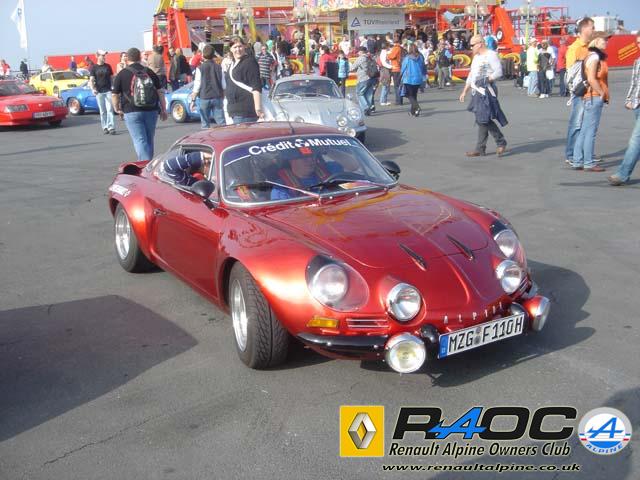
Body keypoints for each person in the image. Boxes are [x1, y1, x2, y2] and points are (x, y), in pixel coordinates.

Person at [112, 48, 168, 161]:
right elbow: (160, 92)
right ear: (139, 58)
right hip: (151, 110)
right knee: (149, 139)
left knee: (140, 140)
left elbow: (115, 94)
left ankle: (144, 164)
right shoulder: (149, 72)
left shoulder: (122, 74)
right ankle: (148, 164)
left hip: (131, 110)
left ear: (127, 58)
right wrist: (163, 109)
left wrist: (117, 108)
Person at [459, 34, 508, 157]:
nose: (471, 47)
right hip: (476, 90)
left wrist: (486, 80)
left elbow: (498, 72)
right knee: (481, 119)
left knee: (483, 118)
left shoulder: (491, 55)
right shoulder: (476, 58)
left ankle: (500, 141)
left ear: (480, 44)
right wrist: (465, 90)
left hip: (487, 90)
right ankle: (480, 148)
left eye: (472, 45)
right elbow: (471, 75)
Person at [570, 32, 610, 172]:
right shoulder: (595, 57)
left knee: (585, 130)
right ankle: (588, 162)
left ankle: (577, 160)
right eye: (604, 40)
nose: (606, 42)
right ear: (596, 41)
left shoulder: (589, 55)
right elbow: (592, 78)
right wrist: (602, 93)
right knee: (590, 131)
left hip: (588, 96)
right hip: (594, 96)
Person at [609, 35, 640, 185]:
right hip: (637, 104)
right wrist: (629, 99)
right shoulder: (637, 61)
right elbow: (634, 82)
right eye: (638, 42)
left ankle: (622, 174)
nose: (639, 45)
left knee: (636, 139)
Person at [565, 17, 595, 166]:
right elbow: (570, 74)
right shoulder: (575, 48)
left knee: (586, 124)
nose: (594, 30)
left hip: (590, 91)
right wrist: (575, 92)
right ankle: (571, 154)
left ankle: (583, 154)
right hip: (580, 91)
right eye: (592, 27)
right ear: (584, 29)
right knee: (576, 124)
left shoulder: (591, 46)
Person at [225, 36, 263, 124]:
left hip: (245, 111)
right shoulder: (233, 63)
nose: (238, 49)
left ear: (244, 46)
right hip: (234, 111)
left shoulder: (250, 62)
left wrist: (258, 107)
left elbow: (256, 85)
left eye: (240, 46)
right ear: (230, 49)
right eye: (235, 47)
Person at [191, 44, 225, 129]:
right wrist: (223, 96)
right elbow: (224, 84)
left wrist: (193, 100)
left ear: (203, 55)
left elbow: (197, 85)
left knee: (205, 123)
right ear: (213, 55)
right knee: (221, 122)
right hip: (217, 96)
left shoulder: (200, 68)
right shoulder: (219, 67)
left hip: (204, 97)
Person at [89, 50, 116, 135]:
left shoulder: (108, 66)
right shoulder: (94, 67)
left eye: (104, 55)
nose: (104, 57)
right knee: (103, 111)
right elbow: (91, 80)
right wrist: (93, 89)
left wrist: (113, 87)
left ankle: (111, 127)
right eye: (102, 55)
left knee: (110, 109)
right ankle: (105, 127)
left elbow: (112, 77)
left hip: (108, 90)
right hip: (99, 92)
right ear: (97, 56)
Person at [401, 43, 426, 117]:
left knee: (409, 95)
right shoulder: (420, 57)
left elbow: (403, 68)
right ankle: (413, 111)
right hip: (418, 78)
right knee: (414, 95)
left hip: (408, 78)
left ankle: (417, 107)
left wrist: (400, 76)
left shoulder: (407, 58)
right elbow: (423, 67)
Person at [350, 46, 376, 116]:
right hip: (372, 77)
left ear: (361, 52)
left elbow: (352, 68)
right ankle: (369, 108)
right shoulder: (370, 57)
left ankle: (365, 108)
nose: (358, 53)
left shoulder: (360, 58)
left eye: (358, 52)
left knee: (359, 93)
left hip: (363, 78)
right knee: (369, 94)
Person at [386, 36, 404, 105]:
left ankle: (398, 101)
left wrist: (388, 55)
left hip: (396, 68)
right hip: (400, 67)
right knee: (400, 85)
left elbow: (392, 56)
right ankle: (400, 100)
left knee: (397, 85)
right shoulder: (401, 48)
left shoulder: (396, 48)